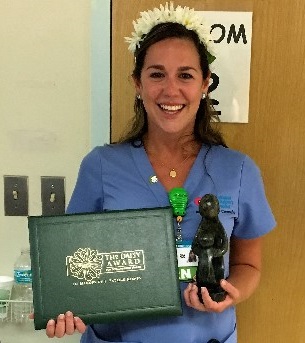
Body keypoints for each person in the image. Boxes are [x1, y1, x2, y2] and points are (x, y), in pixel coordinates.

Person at [44, 3, 276, 342]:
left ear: (205, 84)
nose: (171, 90)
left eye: (185, 75)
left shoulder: (237, 170)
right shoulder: (101, 166)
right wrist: (64, 305)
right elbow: (73, 264)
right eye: (156, 74)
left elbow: (249, 265)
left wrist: (231, 292)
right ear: (137, 83)